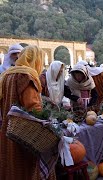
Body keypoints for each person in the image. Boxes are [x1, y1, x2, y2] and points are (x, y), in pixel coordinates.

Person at [0, 45, 56, 179]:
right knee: (26, 168)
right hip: (25, 133)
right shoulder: (27, 76)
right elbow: (33, 107)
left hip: (7, 128)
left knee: (10, 165)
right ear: (36, 60)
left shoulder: (6, 75)